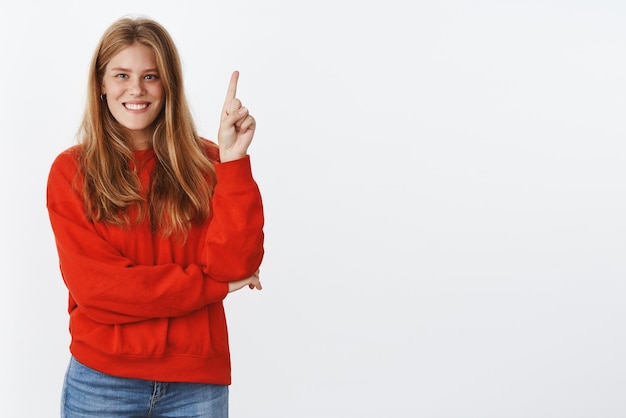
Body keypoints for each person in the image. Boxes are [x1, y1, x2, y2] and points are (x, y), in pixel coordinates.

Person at [46, 16, 264, 418]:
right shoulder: (72, 172)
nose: (136, 89)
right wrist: (210, 286)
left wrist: (234, 161)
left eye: (151, 76)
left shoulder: (209, 163)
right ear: (101, 85)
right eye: (122, 75)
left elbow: (236, 265)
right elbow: (101, 291)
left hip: (196, 383)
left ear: (169, 86)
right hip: (102, 382)